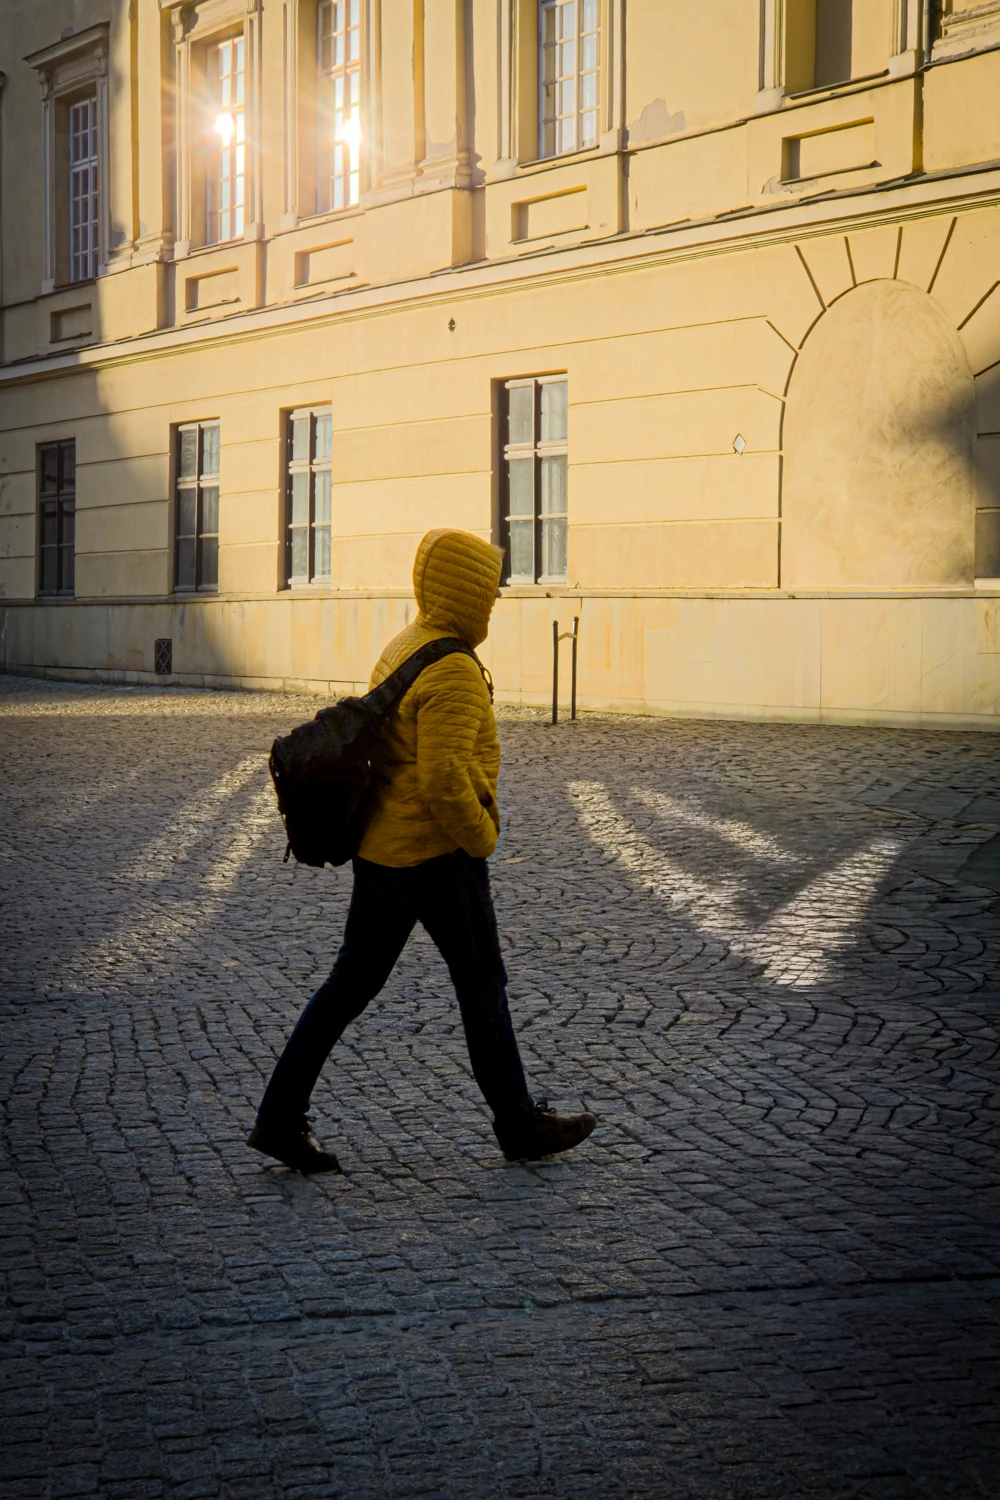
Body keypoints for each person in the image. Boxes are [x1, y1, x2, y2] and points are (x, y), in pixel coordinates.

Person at [249, 528, 596, 1174]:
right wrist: (483, 836)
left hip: (383, 855)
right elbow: (442, 781)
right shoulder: (457, 670)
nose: (495, 594)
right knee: (483, 989)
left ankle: (277, 1116)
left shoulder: (406, 645)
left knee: (349, 987)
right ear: (465, 590)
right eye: (488, 583)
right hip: (438, 860)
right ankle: (519, 1125)